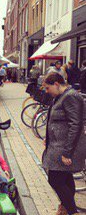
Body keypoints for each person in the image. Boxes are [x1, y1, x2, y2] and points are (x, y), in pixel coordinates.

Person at [42, 73, 85, 215]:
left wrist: (68, 152)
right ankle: (65, 208)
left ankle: (72, 212)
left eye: (47, 88)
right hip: (58, 144)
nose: (46, 92)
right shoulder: (60, 97)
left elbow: (76, 124)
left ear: (56, 84)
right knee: (65, 178)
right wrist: (48, 137)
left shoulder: (71, 96)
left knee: (55, 179)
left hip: (65, 147)